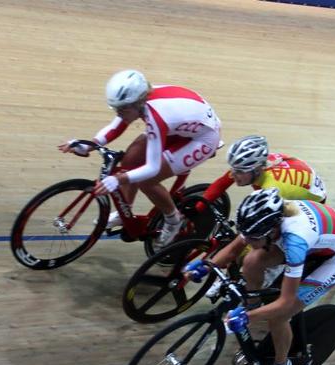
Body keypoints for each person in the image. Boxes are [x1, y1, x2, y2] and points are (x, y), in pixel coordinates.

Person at [185, 188, 335, 365]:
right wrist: (206, 265)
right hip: (318, 236)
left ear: (271, 231)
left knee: (280, 316)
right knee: (251, 261)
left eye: (253, 237)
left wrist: (247, 318)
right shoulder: (263, 217)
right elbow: (233, 249)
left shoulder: (295, 241)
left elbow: (285, 302)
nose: (247, 241)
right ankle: (253, 304)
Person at [58, 69, 222, 247]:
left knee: (147, 180)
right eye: (115, 108)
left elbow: (152, 168)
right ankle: (124, 213)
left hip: (203, 139)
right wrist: (90, 144)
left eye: (122, 109)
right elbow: (117, 126)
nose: (118, 113)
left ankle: (173, 219)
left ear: (137, 103)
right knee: (129, 161)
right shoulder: (139, 103)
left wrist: (118, 179)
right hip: (180, 126)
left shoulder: (155, 117)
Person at [200, 134, 328, 298]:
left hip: (306, 201)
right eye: (233, 168)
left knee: (263, 235)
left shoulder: (272, 188)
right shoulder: (250, 166)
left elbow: (253, 235)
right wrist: (199, 206)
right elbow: (222, 182)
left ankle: (273, 268)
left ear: (257, 169)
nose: (234, 174)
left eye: (239, 171)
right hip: (295, 179)